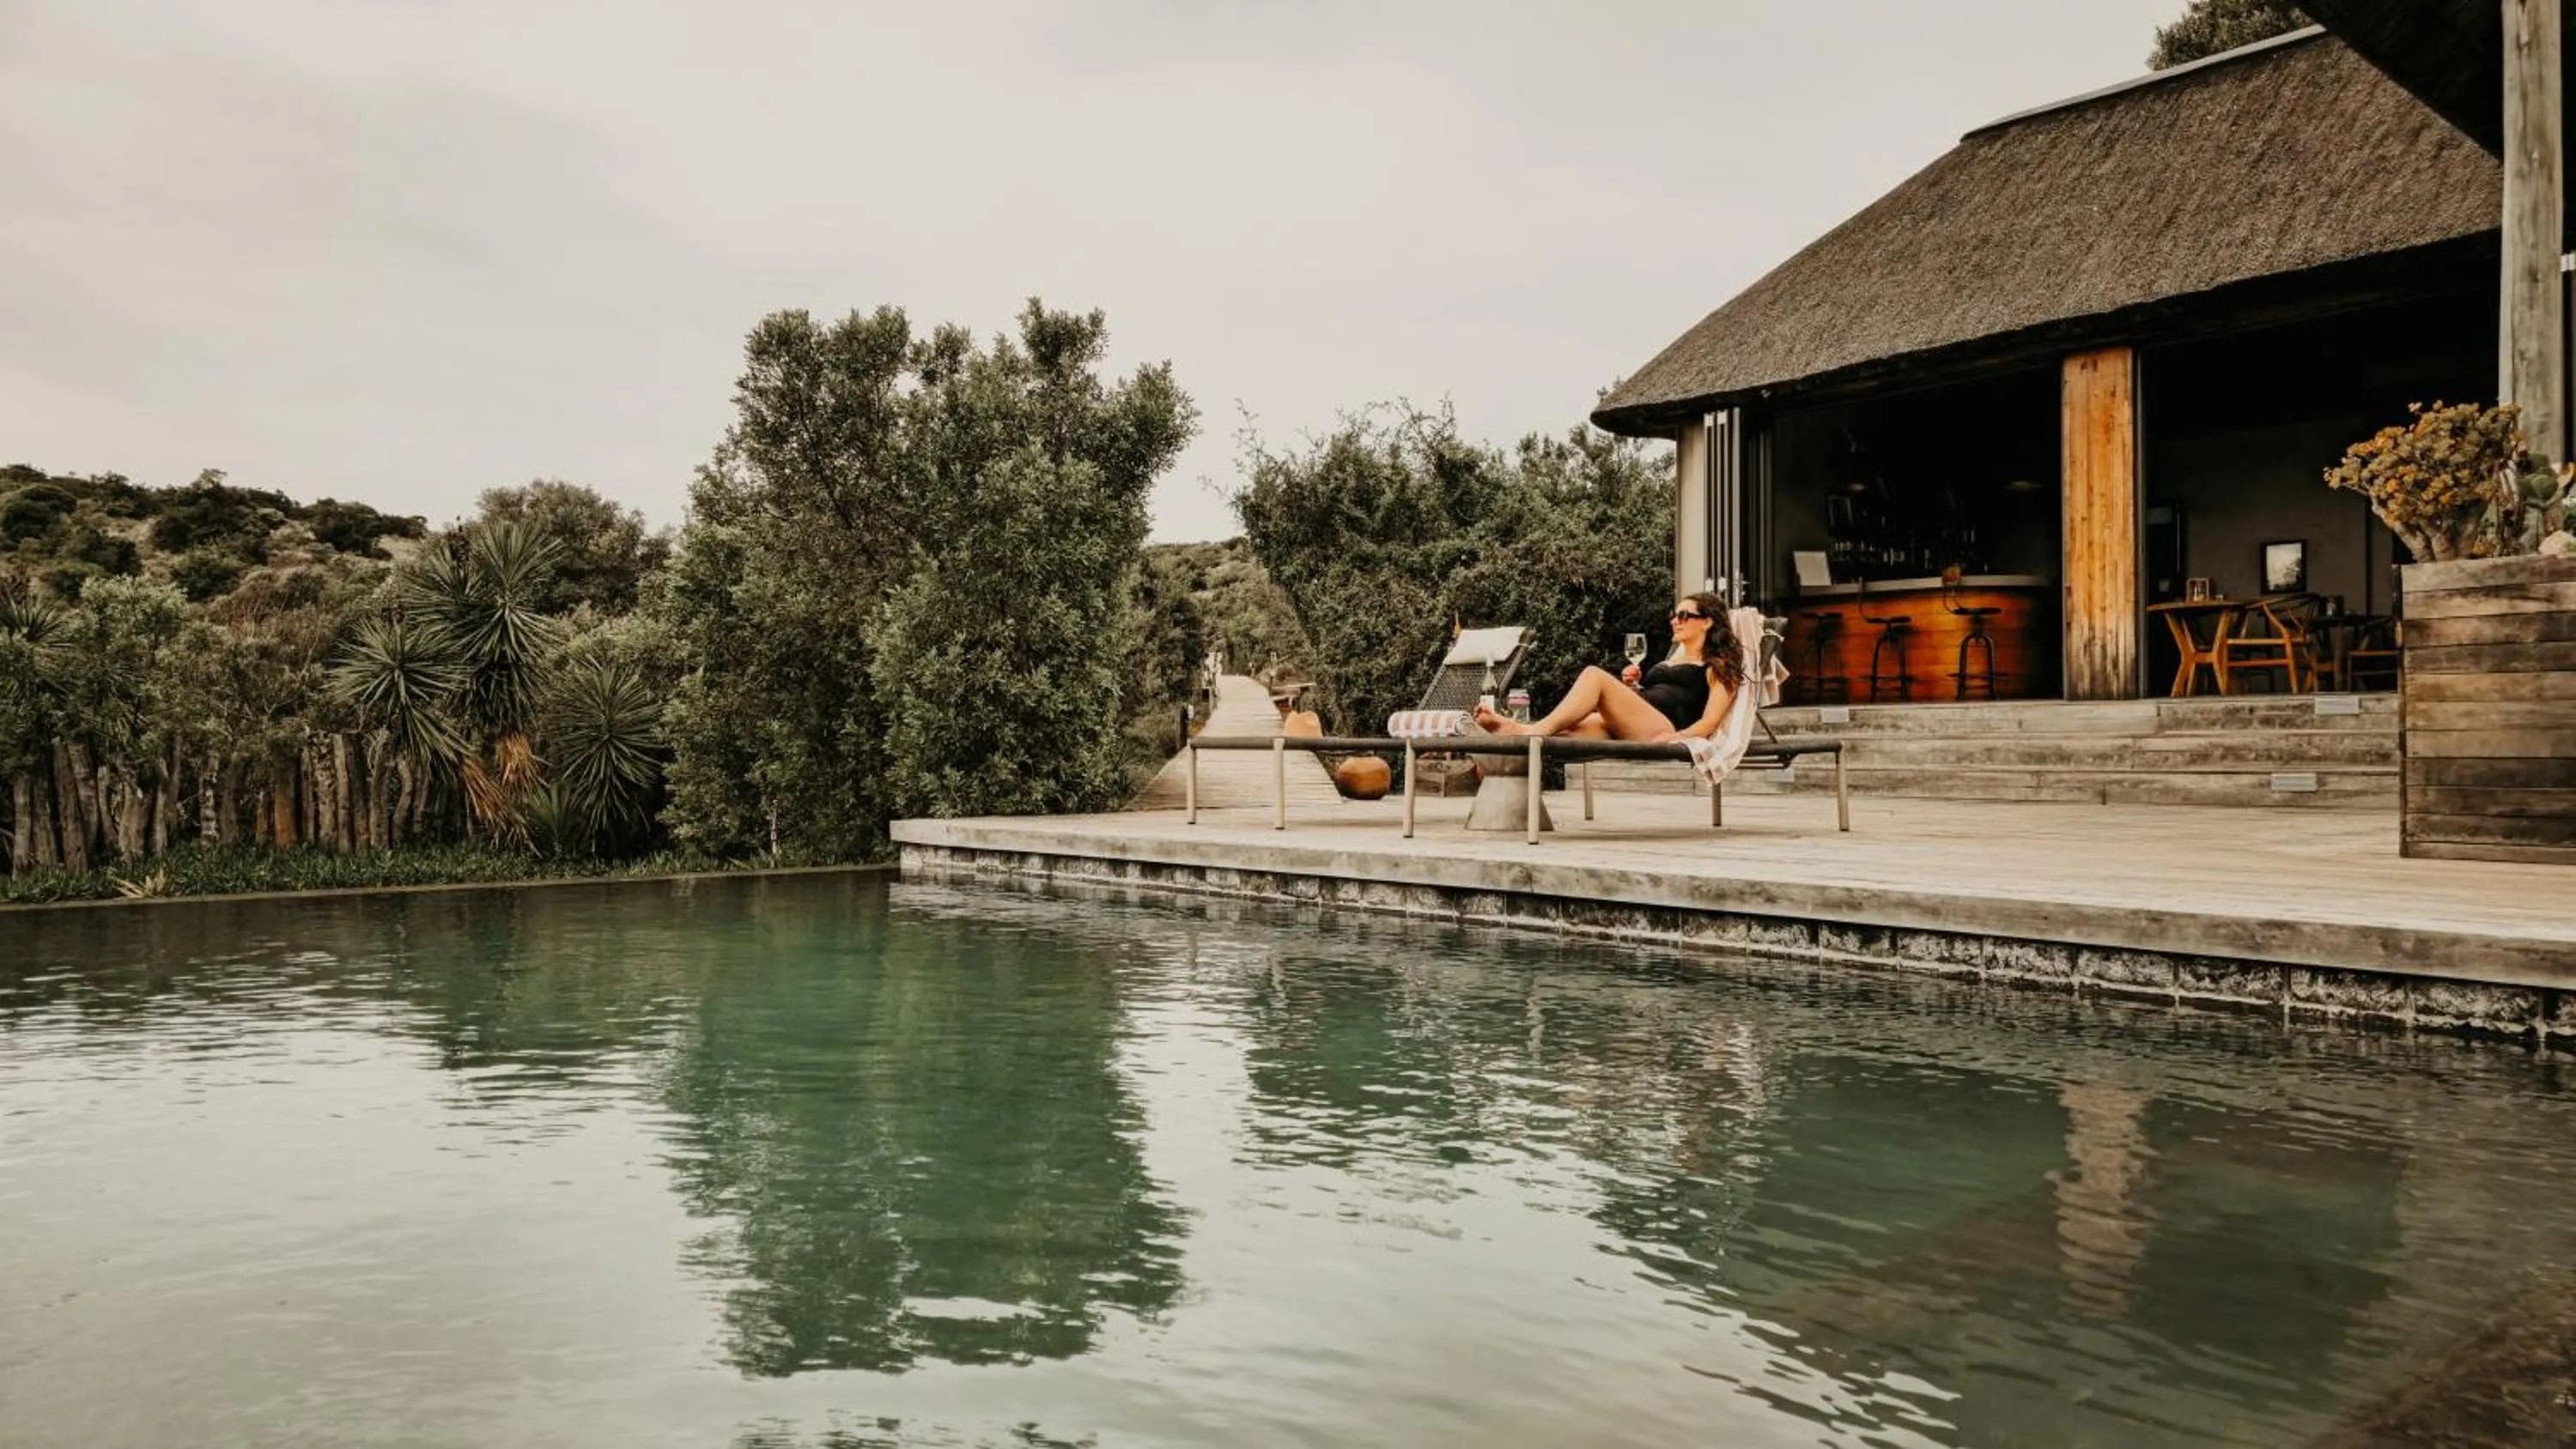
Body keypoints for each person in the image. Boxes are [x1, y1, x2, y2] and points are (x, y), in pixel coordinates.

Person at [1473, 592, 1746, 743]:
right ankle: (1518, 735)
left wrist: (1679, 738)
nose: (1675, 621)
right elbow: (1658, 693)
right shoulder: (1673, 659)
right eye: (1674, 615)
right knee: (1566, 731)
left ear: (1708, 622)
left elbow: (1711, 720)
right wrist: (1631, 688)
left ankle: (1527, 729)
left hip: (1664, 727)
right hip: (1634, 721)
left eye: (1684, 615)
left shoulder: (1719, 667)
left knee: (1594, 676)